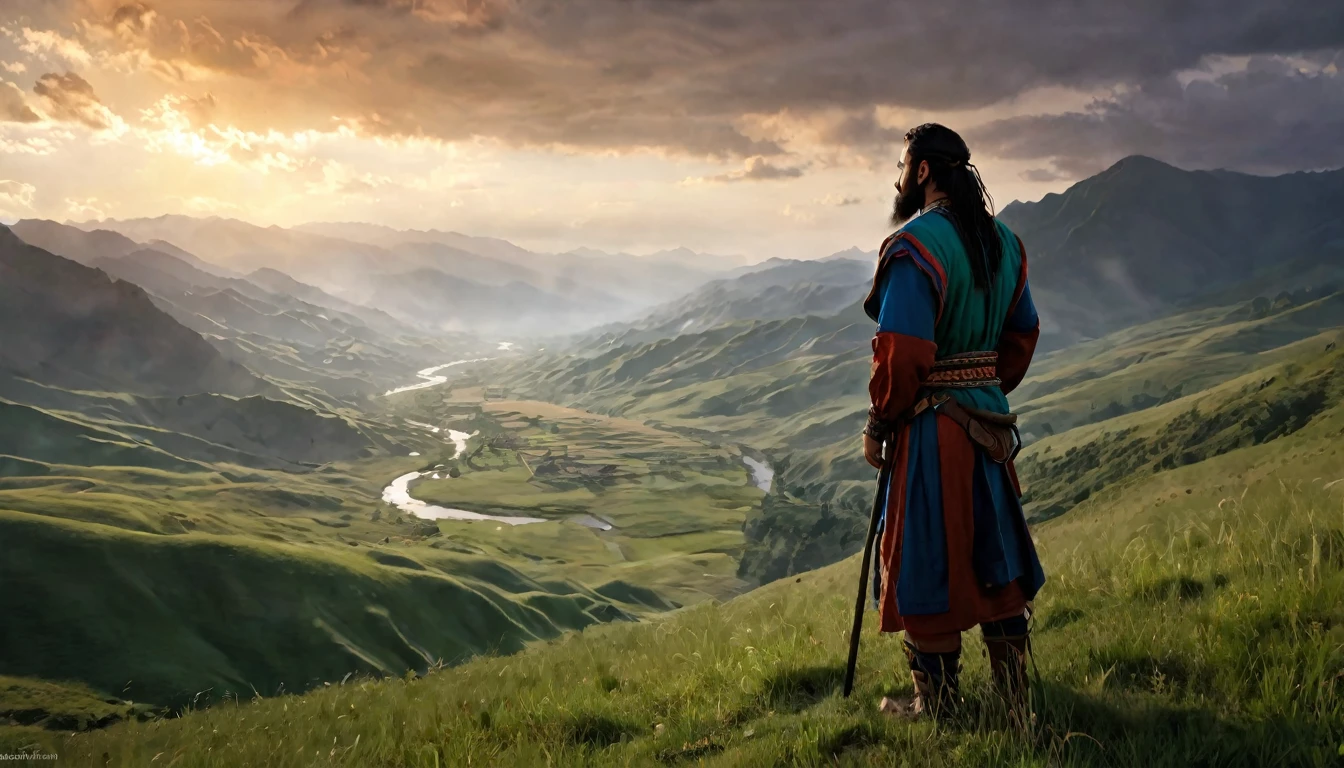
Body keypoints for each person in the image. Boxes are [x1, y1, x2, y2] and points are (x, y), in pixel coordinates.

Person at [861, 123, 1046, 719]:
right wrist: (983, 386)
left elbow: (903, 351)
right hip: (988, 426)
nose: (897, 177)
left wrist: (881, 421)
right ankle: (1013, 697)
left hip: (933, 430)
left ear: (920, 172)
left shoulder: (914, 246)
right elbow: (1022, 334)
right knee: (995, 556)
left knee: (927, 554)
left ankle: (934, 706)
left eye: (901, 165)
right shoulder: (1005, 242)